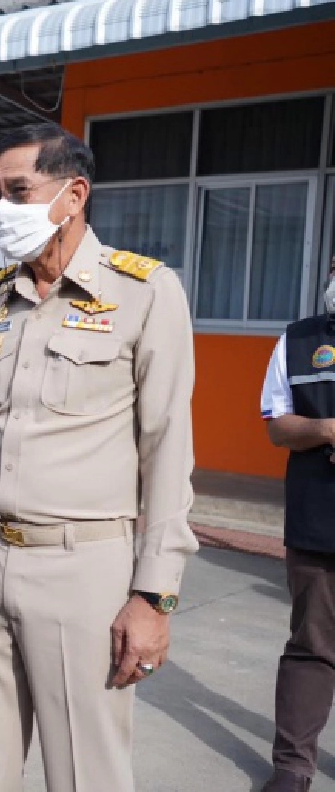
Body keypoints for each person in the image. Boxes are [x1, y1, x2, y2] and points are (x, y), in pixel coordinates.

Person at [0, 123, 198, 792]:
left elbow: (167, 453)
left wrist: (154, 597)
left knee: (85, 771)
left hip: (82, 568)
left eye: (17, 190)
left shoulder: (143, 292)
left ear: (73, 193)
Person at [257, 256, 335, 792]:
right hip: (318, 522)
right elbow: (278, 426)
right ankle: (292, 766)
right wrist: (326, 428)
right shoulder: (299, 340)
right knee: (311, 645)